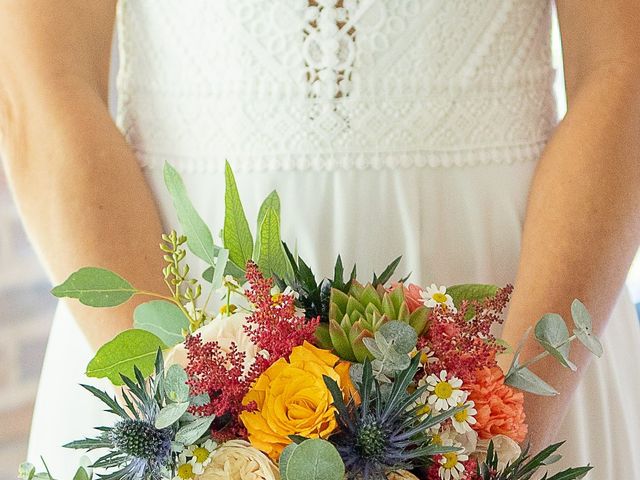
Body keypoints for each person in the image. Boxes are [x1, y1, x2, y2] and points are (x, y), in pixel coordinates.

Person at [1, 1, 639, 478]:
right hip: (163, 303)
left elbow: (621, 66)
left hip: (520, 302)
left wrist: (504, 432)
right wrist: (183, 436)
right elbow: (39, 83)